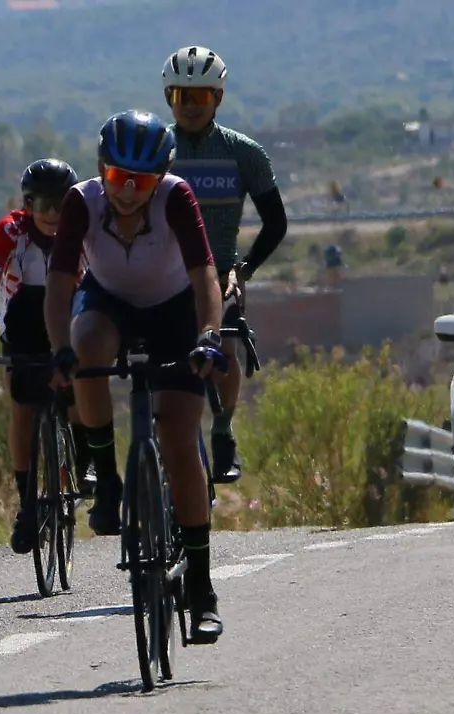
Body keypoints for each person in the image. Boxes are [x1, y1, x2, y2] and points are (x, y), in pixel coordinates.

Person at [43, 110, 228, 643]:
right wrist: (59, 349)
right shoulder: (82, 201)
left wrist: (209, 335)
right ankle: (107, 481)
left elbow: (204, 276)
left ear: (159, 178)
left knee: (177, 440)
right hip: (111, 304)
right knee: (87, 347)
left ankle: (202, 585)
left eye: (140, 181)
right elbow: (59, 285)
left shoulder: (177, 198)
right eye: (118, 178)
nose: (127, 192)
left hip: (174, 312)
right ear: (102, 170)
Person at [162, 45, 288, 483]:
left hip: (219, 272)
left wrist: (244, 270)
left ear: (218, 98)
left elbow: (276, 221)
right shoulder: (157, 149)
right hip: (162, 274)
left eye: (201, 97)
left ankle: (222, 431)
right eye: (182, 97)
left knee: (226, 343)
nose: (191, 106)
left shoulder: (243, 153)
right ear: (169, 99)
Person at [0, 157, 93, 555]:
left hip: (66, 313)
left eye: (62, 205)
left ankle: (86, 461)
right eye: (44, 206)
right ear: (28, 206)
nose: (54, 215)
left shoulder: (82, 230)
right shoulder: (10, 231)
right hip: (22, 320)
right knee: (22, 408)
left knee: (78, 393)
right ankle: (26, 506)